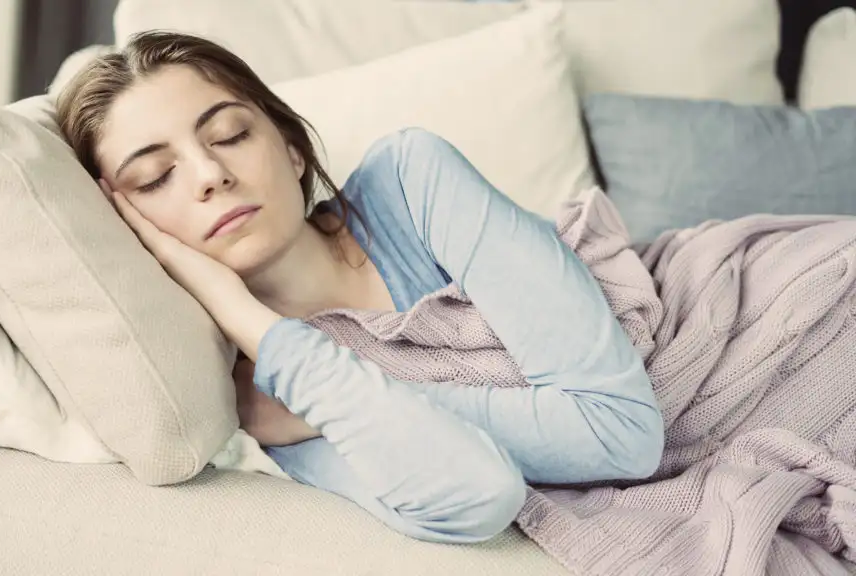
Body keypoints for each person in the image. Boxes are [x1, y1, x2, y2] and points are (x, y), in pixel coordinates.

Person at [56, 31, 664, 544]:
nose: (211, 174)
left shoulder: (412, 179)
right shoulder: (268, 396)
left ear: (292, 150)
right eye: (155, 177)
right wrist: (244, 318)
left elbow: (619, 433)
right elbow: (481, 493)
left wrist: (332, 402)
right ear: (129, 230)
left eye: (231, 136)